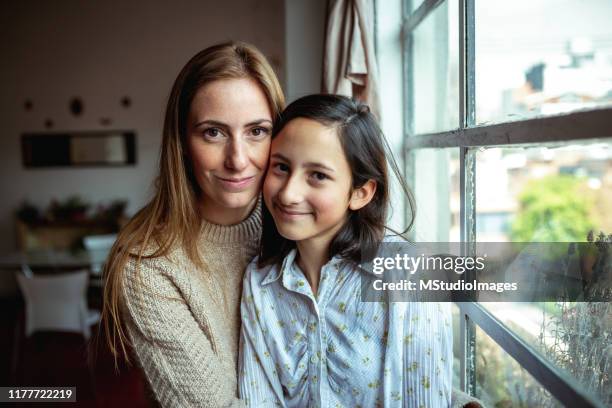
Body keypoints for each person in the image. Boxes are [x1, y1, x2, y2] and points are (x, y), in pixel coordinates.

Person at [100, 41, 285, 407]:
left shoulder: (297, 223)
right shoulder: (147, 266)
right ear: (183, 141)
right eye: (213, 133)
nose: (237, 159)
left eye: (257, 131)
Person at [239, 94, 452, 407]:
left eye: (318, 175)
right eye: (281, 167)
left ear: (360, 192)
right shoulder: (258, 283)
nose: (289, 193)